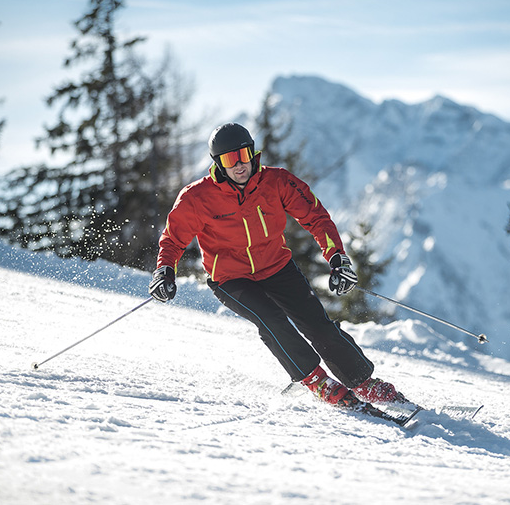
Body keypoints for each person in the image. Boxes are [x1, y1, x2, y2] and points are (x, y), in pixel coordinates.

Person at [149, 122, 403, 409]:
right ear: (218, 163)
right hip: (230, 278)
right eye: (230, 159)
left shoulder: (277, 181)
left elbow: (316, 217)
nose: (240, 165)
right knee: (271, 320)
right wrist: (165, 270)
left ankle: (361, 381)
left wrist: (336, 257)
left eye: (244, 155)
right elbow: (172, 239)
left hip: (276, 267)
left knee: (317, 324)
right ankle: (314, 379)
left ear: (252, 153)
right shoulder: (196, 197)